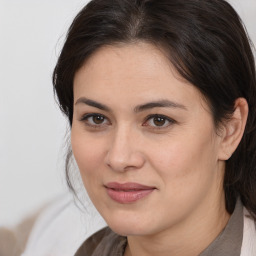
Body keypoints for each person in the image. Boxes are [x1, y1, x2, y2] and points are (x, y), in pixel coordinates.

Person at [52, 0, 256, 255]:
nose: (119, 158)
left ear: (230, 130)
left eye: (159, 120)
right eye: (96, 118)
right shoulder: (56, 240)